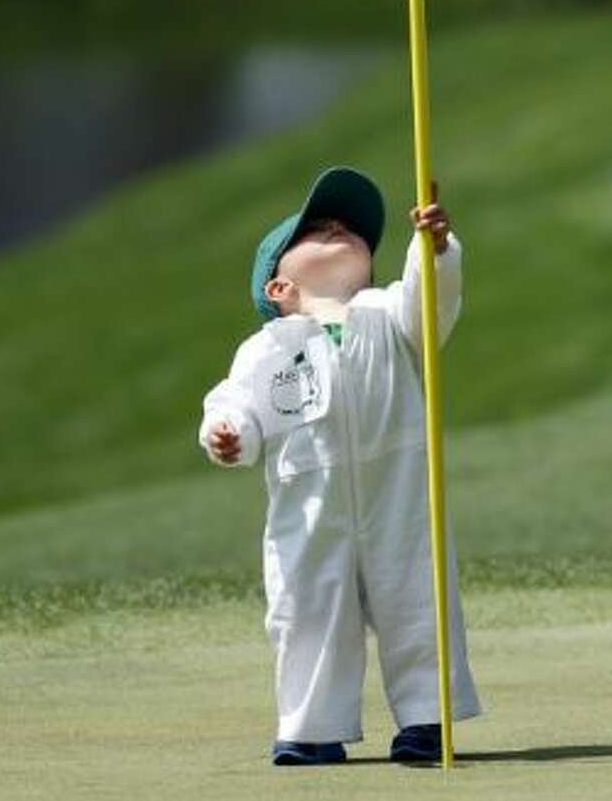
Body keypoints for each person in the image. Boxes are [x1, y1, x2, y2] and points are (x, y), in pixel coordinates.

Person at [198, 165, 481, 767]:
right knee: (307, 613)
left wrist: (433, 248)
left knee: (417, 603)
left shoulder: (389, 316)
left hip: (399, 499)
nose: (339, 230)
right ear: (278, 288)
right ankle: (310, 725)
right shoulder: (267, 348)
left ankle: (427, 719)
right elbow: (236, 404)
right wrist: (229, 435)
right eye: (316, 230)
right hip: (310, 511)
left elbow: (431, 299)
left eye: (351, 231)